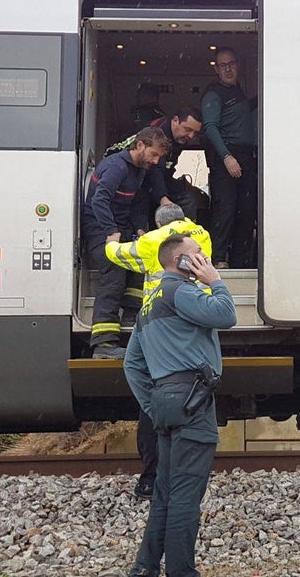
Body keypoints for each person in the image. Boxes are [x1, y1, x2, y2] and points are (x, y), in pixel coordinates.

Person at [124, 233, 236, 577]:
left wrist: (155, 403)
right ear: (179, 261)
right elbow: (225, 315)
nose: (203, 255)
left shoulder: (149, 300)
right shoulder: (181, 290)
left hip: (165, 401)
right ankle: (181, 571)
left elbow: (132, 364)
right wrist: (215, 281)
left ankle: (145, 567)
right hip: (192, 401)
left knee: (166, 492)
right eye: (196, 252)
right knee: (186, 494)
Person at [104, 202, 212, 499]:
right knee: (194, 394)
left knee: (154, 397)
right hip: (193, 320)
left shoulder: (155, 241)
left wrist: (112, 240)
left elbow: (118, 255)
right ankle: (186, 476)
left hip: (159, 321)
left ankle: (151, 477)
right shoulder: (201, 234)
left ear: (159, 225)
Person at [81, 126, 170, 359]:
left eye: (159, 157)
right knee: (114, 271)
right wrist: (111, 231)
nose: (156, 160)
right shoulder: (115, 167)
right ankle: (104, 343)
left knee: (146, 258)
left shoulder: (139, 170)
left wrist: (141, 229)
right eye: (154, 154)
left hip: (122, 228)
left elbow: (136, 204)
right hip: (100, 229)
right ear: (139, 145)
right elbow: (100, 200)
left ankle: (131, 314)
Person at [201, 47, 257, 268]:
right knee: (226, 208)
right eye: (223, 65)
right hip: (227, 157)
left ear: (238, 65)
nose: (228, 69)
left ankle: (240, 261)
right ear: (216, 69)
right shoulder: (214, 94)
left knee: (247, 210)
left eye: (231, 63)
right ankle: (218, 258)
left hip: (245, 156)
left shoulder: (237, 92)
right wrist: (226, 156)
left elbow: (243, 111)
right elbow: (211, 127)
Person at [106, 106, 205, 221]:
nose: (191, 136)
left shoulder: (179, 139)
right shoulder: (157, 133)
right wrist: (162, 198)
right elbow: (155, 168)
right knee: (143, 199)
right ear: (175, 120)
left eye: (195, 133)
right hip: (125, 173)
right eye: (187, 129)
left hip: (149, 176)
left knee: (187, 198)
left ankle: (184, 237)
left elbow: (166, 168)